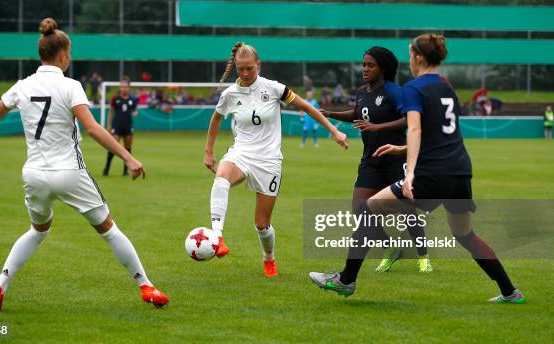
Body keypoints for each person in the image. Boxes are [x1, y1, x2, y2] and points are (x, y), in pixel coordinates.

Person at [0, 18, 169, 310]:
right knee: (109, 230)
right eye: (69, 53)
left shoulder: (22, 86)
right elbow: (94, 129)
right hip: (69, 173)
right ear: (61, 55)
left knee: (37, 231)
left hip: (34, 175)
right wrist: (129, 157)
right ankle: (146, 285)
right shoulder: (70, 85)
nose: (69, 58)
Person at [310, 34, 525, 304]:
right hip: (459, 171)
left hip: (432, 173)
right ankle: (510, 291)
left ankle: (346, 280)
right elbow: (440, 134)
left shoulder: (413, 87)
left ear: (418, 58)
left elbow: (414, 129)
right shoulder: (447, 86)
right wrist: (400, 149)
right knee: (465, 234)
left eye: (410, 54)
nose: (409, 60)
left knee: (366, 209)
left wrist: (409, 174)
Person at [203, 42, 349, 277]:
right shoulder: (229, 94)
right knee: (221, 177)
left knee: (261, 224)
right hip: (241, 152)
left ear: (258, 65)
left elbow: (307, 108)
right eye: (240, 69)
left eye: (249, 68)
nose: (245, 73)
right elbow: (216, 119)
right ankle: (216, 237)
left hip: (269, 161)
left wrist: (334, 131)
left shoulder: (274, 88)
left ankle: (268, 259)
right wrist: (209, 152)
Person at [321, 46, 432, 272]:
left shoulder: (395, 91)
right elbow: (356, 114)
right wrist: (329, 113)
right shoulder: (363, 92)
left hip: (395, 158)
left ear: (383, 68)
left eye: (370, 65)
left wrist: (377, 126)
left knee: (407, 209)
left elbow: (408, 119)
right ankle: (391, 249)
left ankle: (423, 256)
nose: (365, 69)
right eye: (363, 64)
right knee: (359, 209)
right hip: (371, 160)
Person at [103, 77, 138, 176]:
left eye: (126, 87)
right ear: (120, 88)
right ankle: (107, 168)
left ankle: (125, 170)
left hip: (128, 126)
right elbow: (111, 112)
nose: (124, 89)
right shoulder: (115, 99)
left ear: (129, 88)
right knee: (113, 147)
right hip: (116, 126)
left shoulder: (132, 99)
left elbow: (135, 110)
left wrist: (135, 112)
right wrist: (109, 125)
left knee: (127, 148)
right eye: (122, 87)